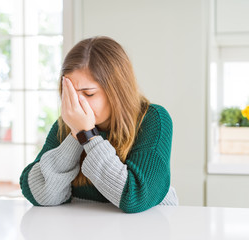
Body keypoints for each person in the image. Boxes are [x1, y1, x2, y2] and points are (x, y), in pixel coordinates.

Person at [20, 36, 178, 213]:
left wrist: (87, 135)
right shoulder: (68, 124)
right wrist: (75, 135)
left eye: (88, 94)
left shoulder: (153, 119)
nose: (77, 105)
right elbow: (40, 194)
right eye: (70, 93)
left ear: (117, 91)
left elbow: (136, 198)